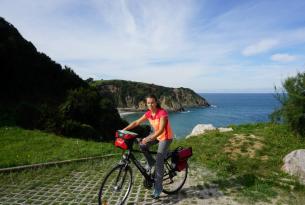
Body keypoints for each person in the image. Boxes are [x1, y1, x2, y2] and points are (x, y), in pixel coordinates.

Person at [123, 94, 173, 199]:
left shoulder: (162, 113)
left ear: (156, 102)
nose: (150, 105)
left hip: (166, 138)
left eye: (152, 102)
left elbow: (161, 130)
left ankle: (158, 188)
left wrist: (148, 138)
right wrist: (124, 130)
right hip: (157, 136)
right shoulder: (149, 113)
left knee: (159, 161)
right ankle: (151, 162)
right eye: (148, 103)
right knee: (142, 145)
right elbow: (136, 122)